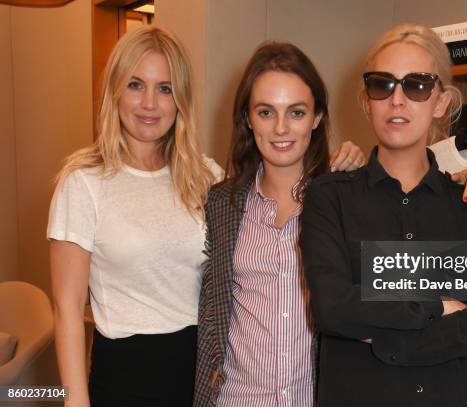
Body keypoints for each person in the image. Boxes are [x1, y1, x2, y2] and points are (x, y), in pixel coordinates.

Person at [48, 26, 363, 407]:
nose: (150, 102)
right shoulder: (83, 183)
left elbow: (280, 178)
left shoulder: (206, 178)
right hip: (126, 374)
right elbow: (66, 310)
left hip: (200, 377)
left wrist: (453, 172)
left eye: (165, 88)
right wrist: (74, 401)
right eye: (135, 85)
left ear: (180, 98)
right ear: (113, 90)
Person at [193, 40, 467, 407]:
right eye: (265, 112)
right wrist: (436, 306)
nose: (280, 128)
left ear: (317, 117)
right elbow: (335, 310)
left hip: (311, 393)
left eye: (296, 112)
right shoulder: (223, 204)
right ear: (247, 117)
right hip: (236, 398)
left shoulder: (338, 191)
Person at [299, 24, 467, 406]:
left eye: (417, 85)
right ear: (367, 100)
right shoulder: (330, 198)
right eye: (383, 84)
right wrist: (436, 307)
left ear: (442, 101)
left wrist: (385, 338)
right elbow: (333, 310)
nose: (397, 99)